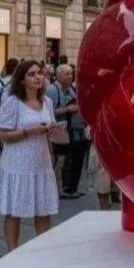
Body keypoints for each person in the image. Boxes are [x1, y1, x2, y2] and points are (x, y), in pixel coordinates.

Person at [0, 59, 59, 251]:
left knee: (43, 210)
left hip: (41, 163)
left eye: (40, 73)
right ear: (22, 80)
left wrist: (52, 130)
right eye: (32, 74)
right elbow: (1, 135)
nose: (38, 77)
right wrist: (28, 131)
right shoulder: (13, 103)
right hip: (18, 164)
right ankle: (12, 251)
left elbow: (49, 129)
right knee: (14, 210)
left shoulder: (47, 103)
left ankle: (43, 251)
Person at [47, 65, 88, 198]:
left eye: (71, 73)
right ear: (59, 76)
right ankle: (58, 189)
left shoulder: (71, 89)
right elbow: (49, 112)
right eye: (67, 74)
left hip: (75, 130)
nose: (70, 76)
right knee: (61, 161)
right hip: (61, 132)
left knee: (74, 160)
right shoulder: (52, 90)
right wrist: (67, 109)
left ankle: (71, 188)